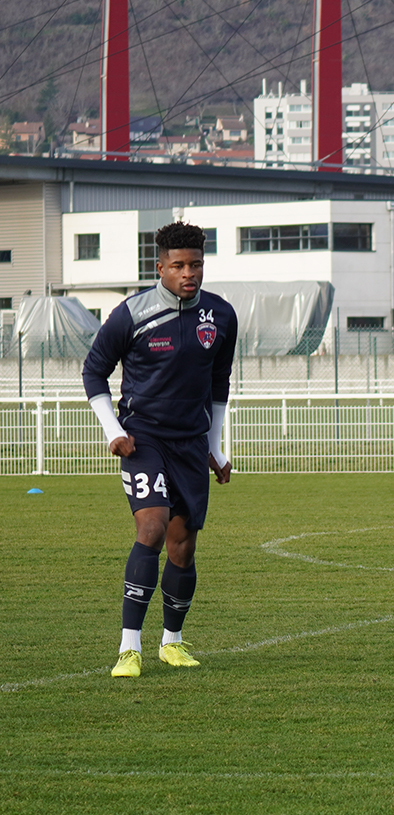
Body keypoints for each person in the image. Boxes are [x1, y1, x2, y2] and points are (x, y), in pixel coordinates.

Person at [82, 221, 238, 678]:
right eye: (178, 266)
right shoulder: (131, 314)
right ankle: (129, 648)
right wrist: (113, 430)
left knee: (182, 546)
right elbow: (94, 374)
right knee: (150, 528)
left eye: (196, 265)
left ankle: (172, 642)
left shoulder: (221, 315)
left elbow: (218, 385)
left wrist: (215, 447)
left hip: (191, 444)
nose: (188, 273)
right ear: (160, 267)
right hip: (143, 439)